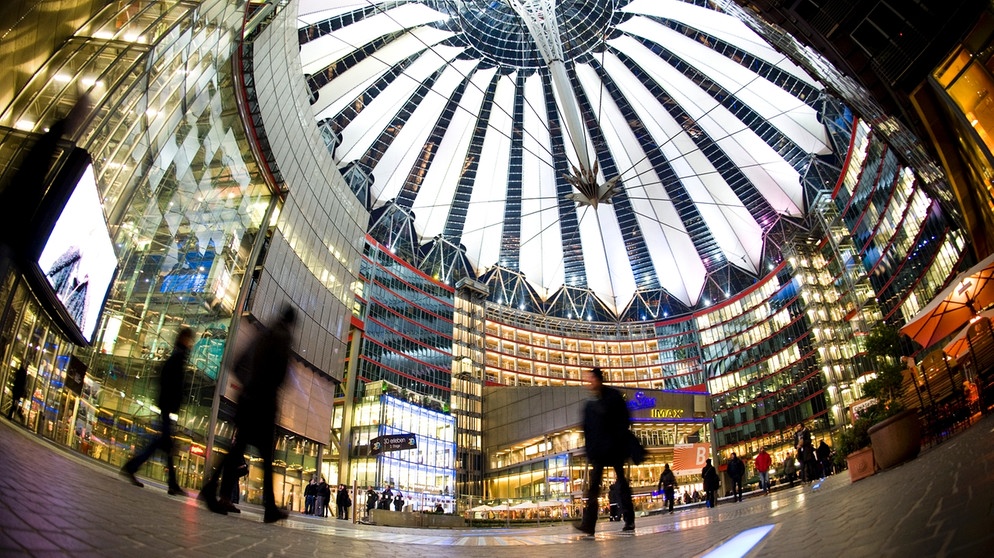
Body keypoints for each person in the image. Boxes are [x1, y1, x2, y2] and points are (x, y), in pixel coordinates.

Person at [199, 305, 296, 523]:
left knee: (238, 448)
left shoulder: (263, 334)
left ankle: (212, 487)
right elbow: (280, 375)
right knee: (266, 456)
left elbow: (238, 362)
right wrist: (265, 389)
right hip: (263, 402)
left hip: (249, 398)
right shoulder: (282, 337)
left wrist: (248, 386)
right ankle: (269, 507)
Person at [121, 327, 195, 496]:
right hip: (167, 406)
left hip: (167, 406)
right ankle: (133, 467)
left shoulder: (179, 356)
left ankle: (172, 483)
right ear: (184, 339)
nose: (191, 344)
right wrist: (171, 405)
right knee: (162, 443)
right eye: (189, 340)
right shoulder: (178, 357)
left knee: (165, 444)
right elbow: (170, 382)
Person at [574, 367, 635, 535]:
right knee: (594, 487)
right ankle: (589, 524)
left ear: (599, 379)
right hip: (599, 452)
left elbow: (624, 420)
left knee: (621, 483)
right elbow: (587, 430)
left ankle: (629, 520)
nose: (589, 383)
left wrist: (619, 440)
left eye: (592, 379)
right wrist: (590, 450)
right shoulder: (590, 404)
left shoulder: (613, 397)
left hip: (615, 449)